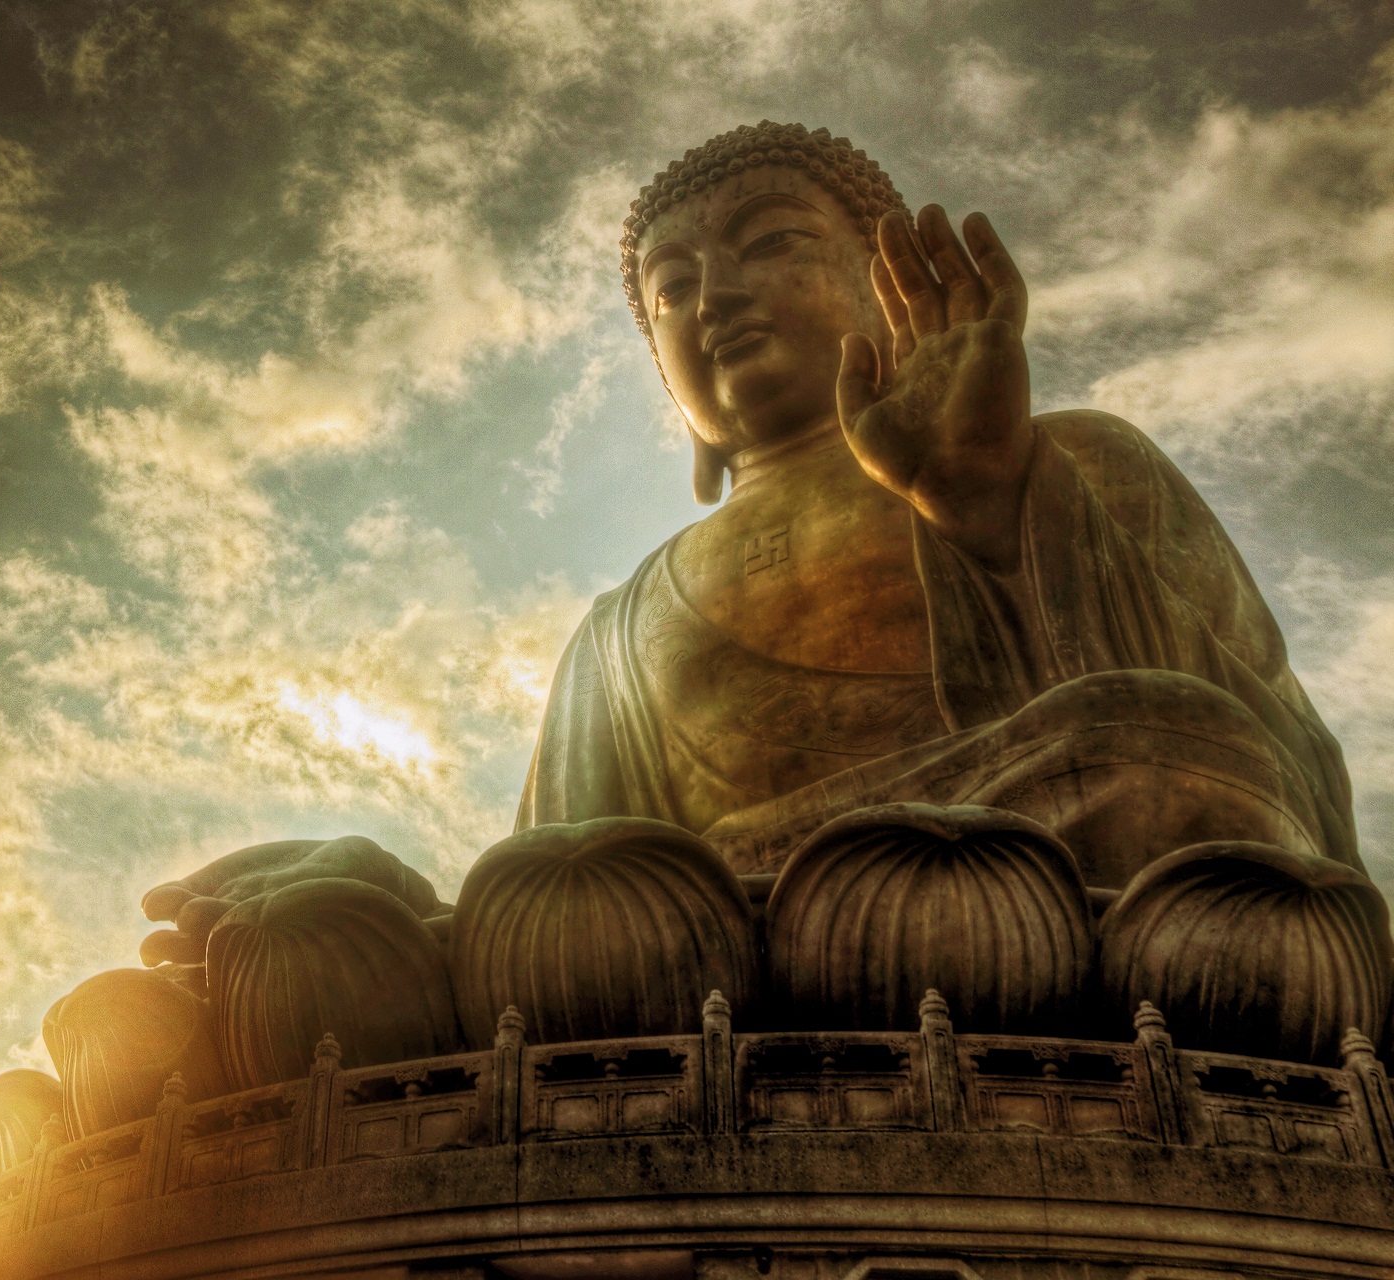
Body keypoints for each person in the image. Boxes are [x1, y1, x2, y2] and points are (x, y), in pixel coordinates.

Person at [517, 122, 1356, 888]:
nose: (717, 296)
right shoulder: (617, 633)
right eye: (671, 290)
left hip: (1060, 880)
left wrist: (992, 504)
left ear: (895, 287)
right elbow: (560, 880)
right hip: (724, 935)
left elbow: (1284, 772)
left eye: (772, 240)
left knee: (1176, 750)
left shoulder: (1080, 458)